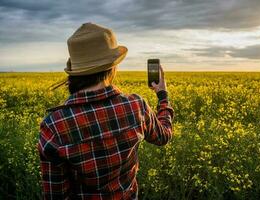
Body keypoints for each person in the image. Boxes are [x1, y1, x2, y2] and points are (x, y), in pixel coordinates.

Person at [37, 22, 174, 199]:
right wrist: (162, 95)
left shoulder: (54, 125)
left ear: (75, 71)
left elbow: (56, 196)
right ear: (112, 67)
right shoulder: (136, 106)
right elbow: (164, 135)